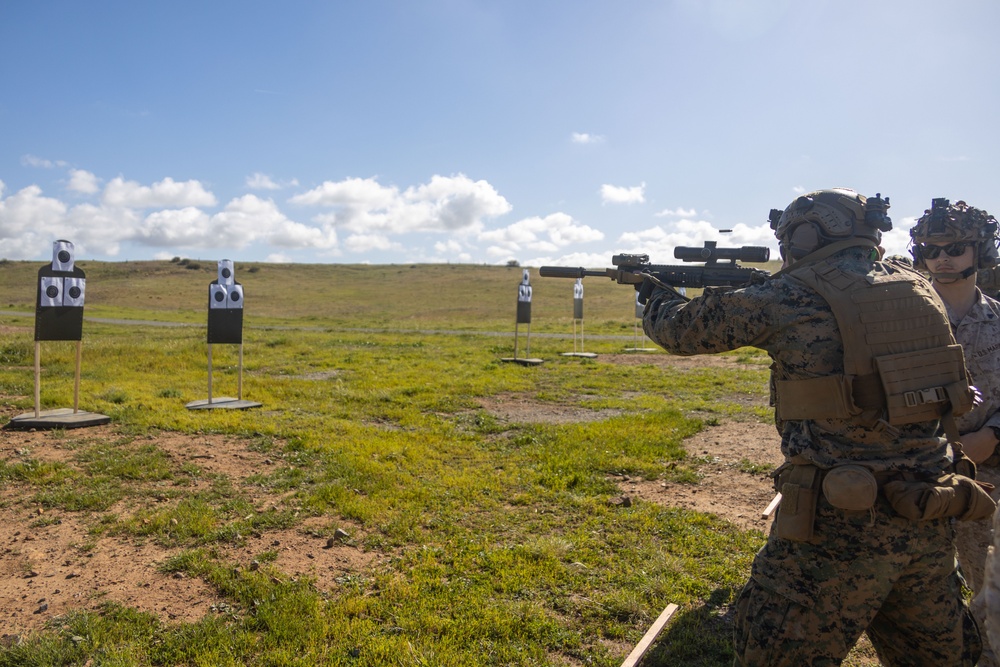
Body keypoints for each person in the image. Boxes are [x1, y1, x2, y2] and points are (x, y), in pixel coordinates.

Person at [642, 188, 991, 666]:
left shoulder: (791, 292)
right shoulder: (917, 286)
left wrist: (654, 297)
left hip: (834, 527)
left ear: (805, 234)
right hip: (926, 509)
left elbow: (681, 332)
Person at [910, 198, 1000, 665]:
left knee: (988, 578)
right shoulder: (903, 324)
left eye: (956, 247)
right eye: (930, 249)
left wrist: (994, 436)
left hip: (985, 474)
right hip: (915, 472)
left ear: (980, 251)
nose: (941, 258)